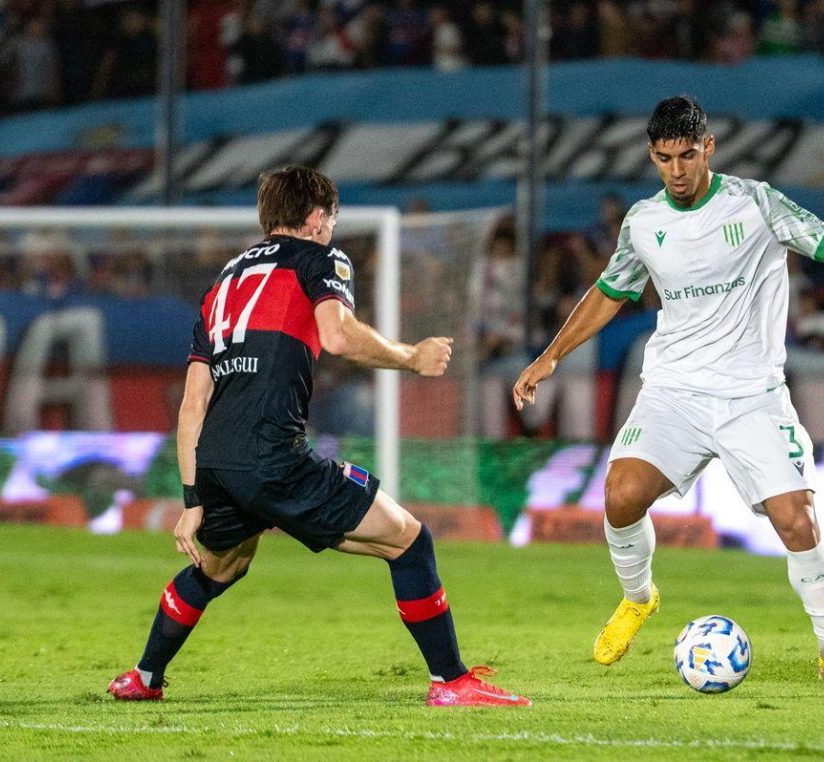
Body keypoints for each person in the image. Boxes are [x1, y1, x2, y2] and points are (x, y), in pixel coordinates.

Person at [108, 166, 528, 707]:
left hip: (216, 460)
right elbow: (338, 335)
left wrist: (192, 499)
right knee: (409, 540)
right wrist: (411, 357)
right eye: (331, 217)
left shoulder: (224, 285)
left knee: (222, 565)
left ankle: (144, 677)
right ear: (315, 218)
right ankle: (451, 682)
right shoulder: (320, 258)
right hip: (272, 456)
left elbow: (193, 403)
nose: (331, 228)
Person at [513, 96, 824, 700]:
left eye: (686, 155)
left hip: (750, 397)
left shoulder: (755, 204)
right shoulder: (643, 222)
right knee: (621, 496)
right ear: (652, 157)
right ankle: (639, 598)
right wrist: (552, 354)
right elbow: (609, 291)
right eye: (662, 158)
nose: (675, 170)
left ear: (709, 149)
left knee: (798, 520)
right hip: (674, 391)